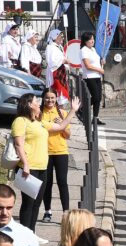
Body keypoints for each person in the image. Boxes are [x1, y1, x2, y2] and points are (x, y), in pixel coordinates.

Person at [12, 94, 80, 233]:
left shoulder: (39, 122)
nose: (39, 103)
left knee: (37, 203)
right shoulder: (20, 121)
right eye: (36, 101)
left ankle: (31, 233)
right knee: (28, 203)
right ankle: (25, 234)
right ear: (29, 104)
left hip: (42, 167)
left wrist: (73, 110)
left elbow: (61, 126)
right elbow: (18, 144)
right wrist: (25, 164)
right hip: (29, 168)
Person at [40, 89, 72, 223]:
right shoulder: (39, 114)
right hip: (44, 152)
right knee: (46, 183)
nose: (50, 101)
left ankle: (66, 213)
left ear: (56, 99)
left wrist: (62, 125)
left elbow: (68, 135)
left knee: (62, 182)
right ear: (43, 99)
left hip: (61, 152)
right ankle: (47, 211)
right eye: (47, 98)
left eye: (52, 98)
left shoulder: (63, 113)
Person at [80, 32, 106, 125]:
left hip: (97, 76)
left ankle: (95, 117)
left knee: (98, 98)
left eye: (93, 39)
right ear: (86, 41)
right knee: (95, 97)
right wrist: (99, 69)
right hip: (89, 76)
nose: (92, 41)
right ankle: (82, 109)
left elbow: (96, 61)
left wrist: (102, 61)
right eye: (90, 39)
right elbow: (87, 65)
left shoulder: (93, 50)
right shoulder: (84, 50)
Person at [45, 29, 70, 106]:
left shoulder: (60, 47)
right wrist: (63, 61)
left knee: (62, 93)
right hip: (55, 73)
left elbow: (64, 58)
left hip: (61, 72)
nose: (62, 38)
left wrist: (66, 65)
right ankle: (58, 110)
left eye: (62, 37)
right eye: (60, 36)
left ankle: (61, 112)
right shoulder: (50, 47)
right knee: (58, 92)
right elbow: (51, 61)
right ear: (55, 37)